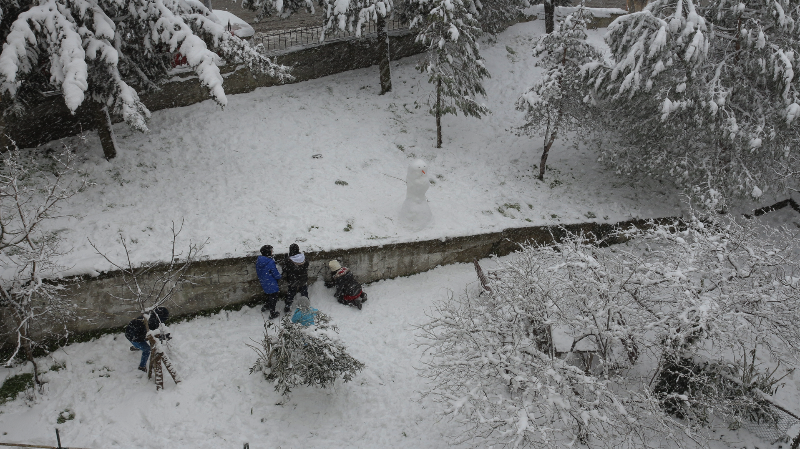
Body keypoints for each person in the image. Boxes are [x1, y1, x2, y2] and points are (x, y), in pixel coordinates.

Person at [124, 307, 169, 372]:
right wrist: (162, 337)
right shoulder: (152, 322)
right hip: (133, 336)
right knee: (147, 350)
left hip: (130, 332)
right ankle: (142, 366)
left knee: (144, 339)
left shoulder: (148, 316)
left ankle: (137, 347)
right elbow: (152, 335)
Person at [281, 243, 309, 313]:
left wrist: (285, 258)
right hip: (303, 279)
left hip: (293, 280)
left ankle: (287, 306)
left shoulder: (288, 260)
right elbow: (307, 265)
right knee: (304, 292)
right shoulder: (304, 258)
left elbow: (285, 269)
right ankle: (306, 305)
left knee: (291, 293)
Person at [256, 245, 282, 319]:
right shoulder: (270, 262)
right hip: (271, 282)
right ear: (268, 252)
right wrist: (280, 276)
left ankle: (266, 306)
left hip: (264, 281)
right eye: (271, 251)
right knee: (273, 297)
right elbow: (276, 274)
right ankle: (272, 313)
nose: (272, 252)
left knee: (268, 295)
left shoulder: (259, 261)